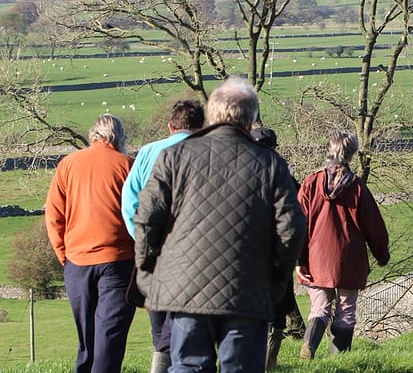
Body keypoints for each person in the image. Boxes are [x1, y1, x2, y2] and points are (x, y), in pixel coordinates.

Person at [133, 77, 306, 372]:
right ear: (251, 118)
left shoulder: (174, 157)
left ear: (211, 114)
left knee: (188, 366)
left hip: (184, 287)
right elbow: (291, 228)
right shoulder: (270, 164)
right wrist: (276, 282)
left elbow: (148, 218)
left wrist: (148, 273)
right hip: (248, 288)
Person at [45, 114, 136, 373]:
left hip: (77, 261)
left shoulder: (68, 164)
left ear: (93, 134)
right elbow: (140, 211)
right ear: (119, 137)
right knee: (110, 334)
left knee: (86, 338)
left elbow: (54, 215)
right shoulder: (128, 165)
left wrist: (65, 255)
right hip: (118, 260)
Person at [121, 99, 204, 373]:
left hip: (153, 245)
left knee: (158, 315)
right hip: (193, 248)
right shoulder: (208, 152)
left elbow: (129, 200)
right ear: (203, 126)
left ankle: (161, 362)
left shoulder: (147, 152)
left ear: (170, 126)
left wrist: (140, 237)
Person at [295, 129, 390, 360]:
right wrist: (381, 254)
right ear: (351, 154)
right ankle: (339, 361)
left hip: (317, 258)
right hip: (350, 259)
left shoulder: (311, 183)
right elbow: (373, 225)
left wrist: (299, 259)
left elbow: (297, 223)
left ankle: (309, 346)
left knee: (319, 308)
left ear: (328, 150)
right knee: (346, 310)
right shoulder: (357, 188)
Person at [250, 126, 306, 370]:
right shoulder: (283, 172)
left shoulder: (240, 169)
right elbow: (297, 214)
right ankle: (268, 364)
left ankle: (255, 362)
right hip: (276, 253)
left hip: (248, 252)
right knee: (278, 310)